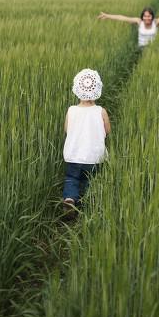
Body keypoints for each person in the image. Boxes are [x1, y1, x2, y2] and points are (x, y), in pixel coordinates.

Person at [62, 69, 111, 216]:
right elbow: (107, 130)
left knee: (72, 178)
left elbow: (66, 129)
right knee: (91, 180)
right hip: (94, 157)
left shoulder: (71, 110)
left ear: (77, 89)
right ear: (97, 89)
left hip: (74, 155)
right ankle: (90, 204)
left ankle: (70, 199)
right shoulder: (101, 111)